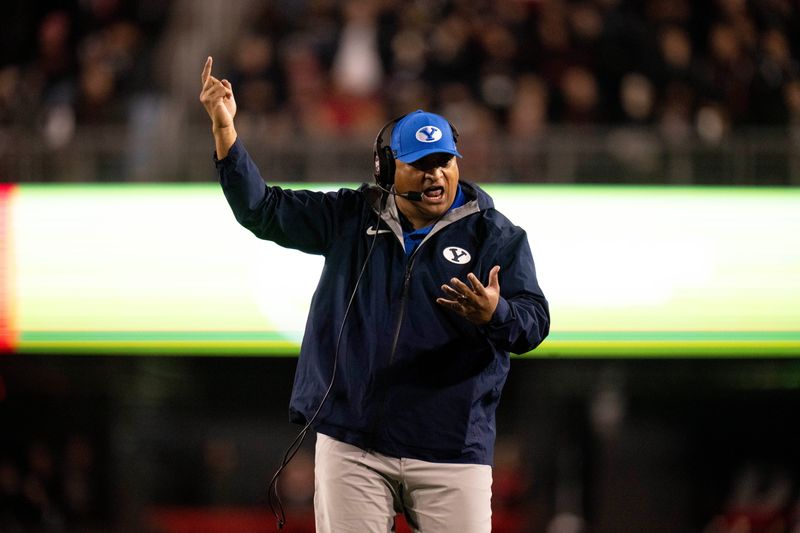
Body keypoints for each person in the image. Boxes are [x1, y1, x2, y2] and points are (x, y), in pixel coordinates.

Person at [199, 56, 550, 533]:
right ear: (386, 168)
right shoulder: (349, 216)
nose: (435, 176)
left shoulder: (496, 236)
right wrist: (225, 132)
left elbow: (534, 323)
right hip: (354, 442)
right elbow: (262, 209)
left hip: (451, 448)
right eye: (419, 165)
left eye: (443, 162)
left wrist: (496, 312)